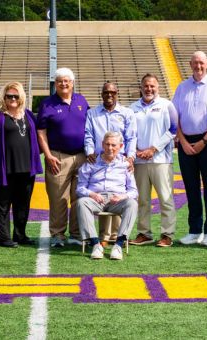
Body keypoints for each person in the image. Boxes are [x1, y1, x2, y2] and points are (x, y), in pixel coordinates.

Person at [173, 51, 207, 247]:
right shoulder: (182, 87)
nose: (198, 66)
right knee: (191, 188)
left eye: (201, 63)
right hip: (186, 143)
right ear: (190, 64)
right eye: (195, 63)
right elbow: (175, 117)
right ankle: (194, 230)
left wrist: (204, 141)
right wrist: (183, 141)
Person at [36, 68, 90, 248]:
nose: (63, 84)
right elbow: (41, 132)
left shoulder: (81, 100)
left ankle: (76, 233)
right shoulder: (47, 103)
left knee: (79, 196)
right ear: (55, 84)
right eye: (60, 81)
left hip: (81, 156)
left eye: (67, 81)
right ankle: (58, 234)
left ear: (72, 82)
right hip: (58, 156)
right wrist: (49, 155)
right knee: (58, 198)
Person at [0, 82, 43, 247]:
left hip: (26, 168)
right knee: (2, 204)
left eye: (15, 96)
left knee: (22, 204)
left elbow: (38, 136)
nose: (12, 99)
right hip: (4, 167)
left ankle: (20, 235)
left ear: (21, 97)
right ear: (3, 98)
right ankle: (3, 238)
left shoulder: (28, 115)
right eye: (9, 96)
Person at [84, 81, 136, 247]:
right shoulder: (93, 113)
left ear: (117, 93)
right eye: (106, 92)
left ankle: (114, 237)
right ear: (102, 94)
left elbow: (131, 137)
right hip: (99, 158)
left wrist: (130, 157)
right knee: (101, 189)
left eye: (112, 92)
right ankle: (103, 237)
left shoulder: (127, 113)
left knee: (116, 193)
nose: (109, 95)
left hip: (119, 161)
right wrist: (89, 152)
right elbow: (89, 135)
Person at [129, 74, 178, 247]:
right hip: (139, 161)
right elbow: (130, 133)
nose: (149, 89)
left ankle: (167, 234)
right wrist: (135, 151)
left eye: (152, 86)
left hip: (161, 160)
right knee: (142, 199)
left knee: (165, 198)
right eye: (146, 86)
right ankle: (144, 233)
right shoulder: (132, 107)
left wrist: (153, 149)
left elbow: (173, 130)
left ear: (158, 87)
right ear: (141, 87)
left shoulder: (167, 105)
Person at [76, 131, 138, 260]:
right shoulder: (91, 162)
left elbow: (134, 191)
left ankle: (119, 245)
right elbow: (80, 188)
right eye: (107, 144)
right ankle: (95, 244)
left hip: (116, 200)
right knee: (82, 202)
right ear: (102, 144)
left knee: (132, 203)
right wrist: (92, 194)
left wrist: (122, 197)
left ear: (120, 147)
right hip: (96, 198)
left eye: (114, 145)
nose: (110, 148)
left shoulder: (126, 165)